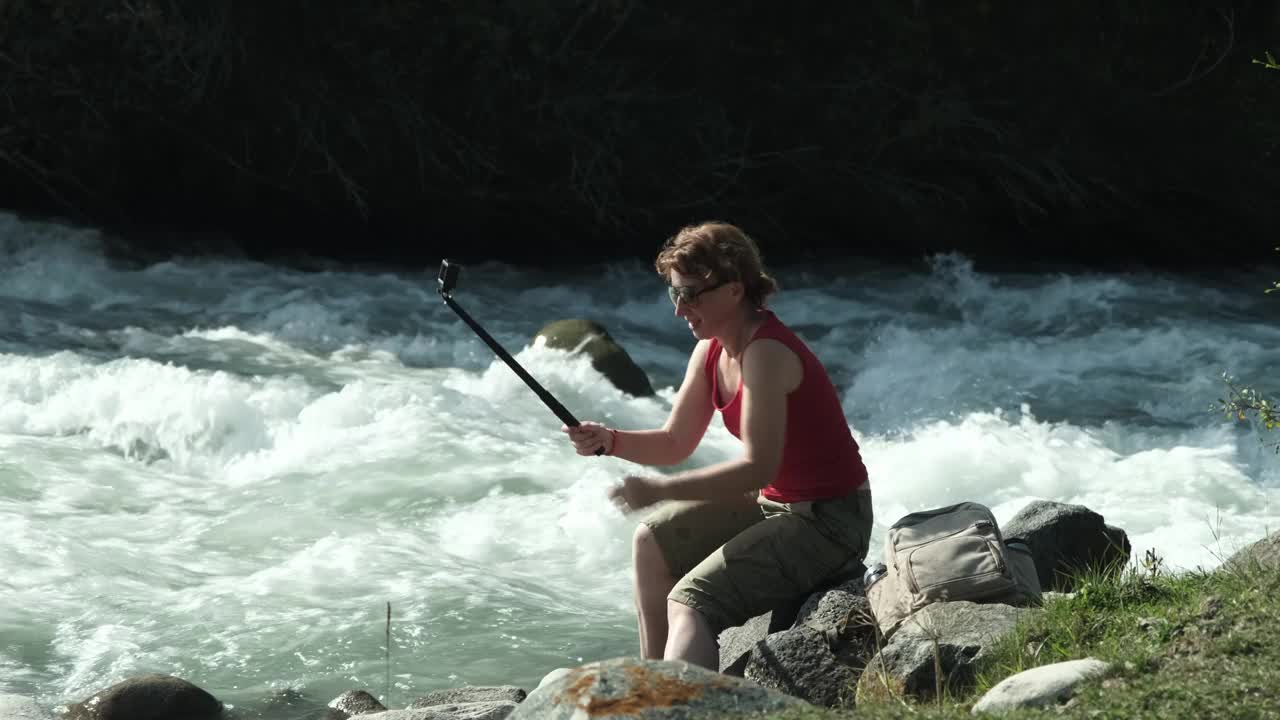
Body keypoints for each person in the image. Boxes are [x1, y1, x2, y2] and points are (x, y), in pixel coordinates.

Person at [562, 221, 873, 671]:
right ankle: (652, 688)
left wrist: (660, 490)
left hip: (830, 519)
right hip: (778, 504)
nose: (679, 310)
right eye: (675, 294)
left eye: (691, 295)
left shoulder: (765, 355)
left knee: (691, 601)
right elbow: (674, 442)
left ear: (734, 289)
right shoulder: (711, 350)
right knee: (651, 542)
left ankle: (684, 707)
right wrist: (610, 440)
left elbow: (757, 469)